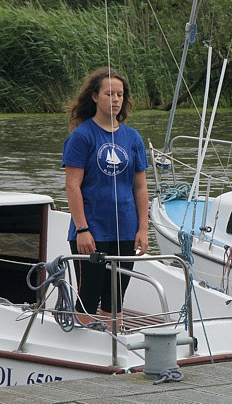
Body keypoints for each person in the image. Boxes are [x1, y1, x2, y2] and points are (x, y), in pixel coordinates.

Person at [63, 67, 149, 329]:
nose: (115, 99)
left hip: (125, 229)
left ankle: (115, 347)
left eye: (120, 94)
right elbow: (72, 185)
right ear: (95, 97)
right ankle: (84, 346)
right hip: (92, 230)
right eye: (109, 93)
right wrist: (82, 229)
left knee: (115, 298)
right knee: (88, 296)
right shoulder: (82, 137)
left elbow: (140, 188)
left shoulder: (132, 138)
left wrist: (143, 228)